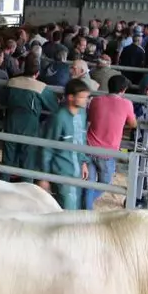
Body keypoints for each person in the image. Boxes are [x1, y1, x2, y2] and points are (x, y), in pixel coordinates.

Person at [1, 53, 59, 183]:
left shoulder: (11, 82)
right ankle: (27, 189)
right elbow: (54, 107)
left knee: (7, 162)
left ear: (23, 68)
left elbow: (3, 100)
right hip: (30, 129)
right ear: (37, 72)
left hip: (11, 125)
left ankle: (3, 186)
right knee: (28, 163)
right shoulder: (41, 88)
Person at [83, 75, 137, 210]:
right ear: (123, 90)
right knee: (105, 183)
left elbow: (89, 117)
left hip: (89, 147)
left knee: (89, 183)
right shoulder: (127, 104)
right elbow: (133, 124)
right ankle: (84, 206)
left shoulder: (95, 100)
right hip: (107, 152)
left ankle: (85, 208)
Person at [40, 79, 91, 210]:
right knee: (67, 208)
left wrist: (84, 162)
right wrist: (44, 177)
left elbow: (82, 139)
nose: (86, 100)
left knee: (76, 205)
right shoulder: (58, 117)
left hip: (78, 169)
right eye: (82, 97)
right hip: (62, 170)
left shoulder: (82, 113)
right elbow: (48, 147)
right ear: (70, 97)